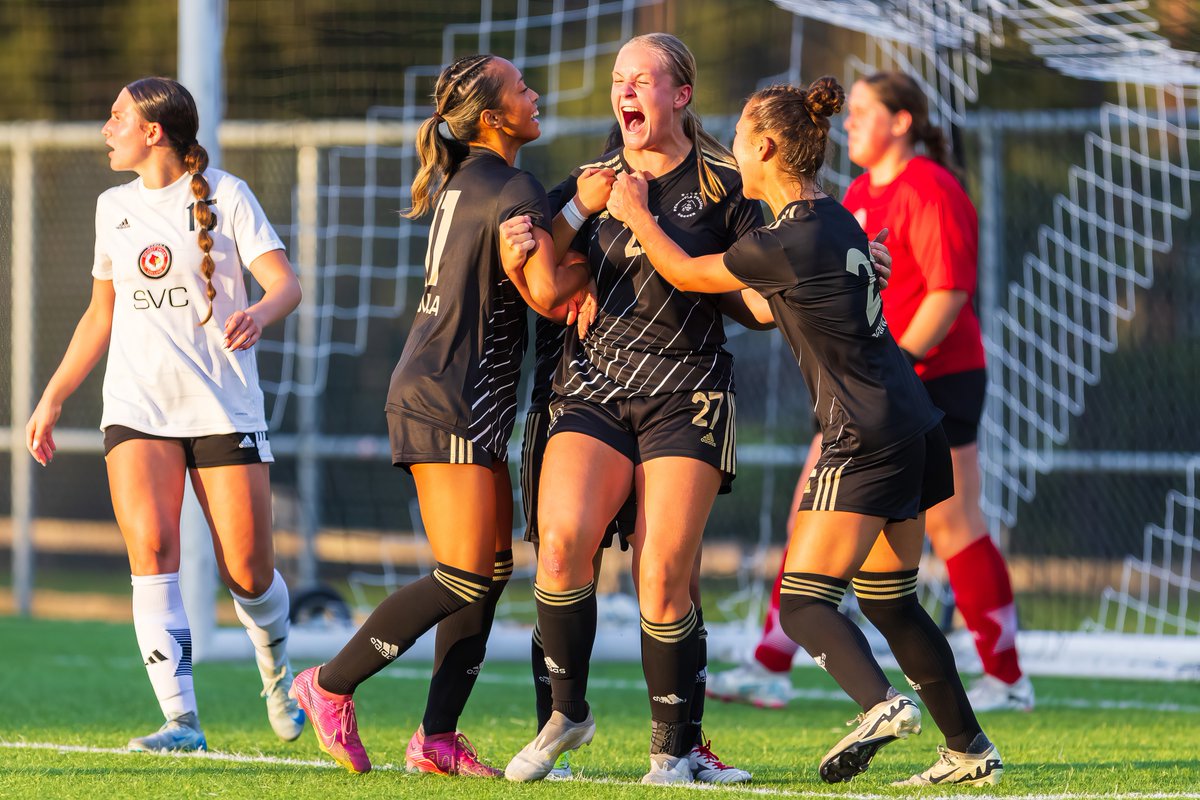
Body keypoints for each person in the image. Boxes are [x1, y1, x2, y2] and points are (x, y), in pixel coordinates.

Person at [606, 76, 1004, 786]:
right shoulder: (835, 217)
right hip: (915, 424)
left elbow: (687, 273)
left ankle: (881, 706)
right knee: (890, 600)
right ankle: (968, 748)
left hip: (864, 434)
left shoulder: (783, 238)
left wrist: (637, 213)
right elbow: (785, 300)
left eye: (738, 134)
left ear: (764, 147)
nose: (730, 146)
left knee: (802, 602)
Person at [288, 54, 590, 777]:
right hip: (450, 395)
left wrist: (572, 207)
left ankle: (437, 738)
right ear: (492, 118)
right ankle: (329, 683)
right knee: (463, 574)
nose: (535, 95)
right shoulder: (510, 184)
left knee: (489, 569)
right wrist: (593, 231)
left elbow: (529, 254)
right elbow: (551, 293)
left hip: (455, 393)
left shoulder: (476, 179)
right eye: (521, 89)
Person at [707, 70, 1034, 714]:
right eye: (848, 110)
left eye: (864, 110)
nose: (850, 121)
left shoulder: (929, 186)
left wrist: (896, 364)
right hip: (867, 382)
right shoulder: (854, 194)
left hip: (927, 376)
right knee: (828, 522)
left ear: (901, 122)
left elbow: (948, 294)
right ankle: (772, 662)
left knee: (954, 525)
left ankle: (1005, 676)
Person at [500, 32, 776, 786]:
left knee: (663, 576)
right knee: (561, 548)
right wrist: (548, 227)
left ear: (680, 96)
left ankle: (675, 750)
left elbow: (757, 303)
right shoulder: (592, 184)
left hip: (686, 393)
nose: (625, 91)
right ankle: (566, 714)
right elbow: (544, 286)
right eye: (619, 79)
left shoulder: (726, 184)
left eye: (642, 80)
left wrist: (826, 284)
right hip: (592, 387)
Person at [26, 77, 306, 752]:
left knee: (249, 574)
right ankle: (182, 721)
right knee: (152, 550)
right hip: (137, 406)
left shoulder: (228, 195)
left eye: (117, 116)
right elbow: (101, 314)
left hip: (222, 408)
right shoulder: (112, 207)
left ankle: (276, 672)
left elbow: (285, 285)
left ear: (153, 131)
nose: (106, 128)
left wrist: (258, 313)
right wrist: (53, 396)